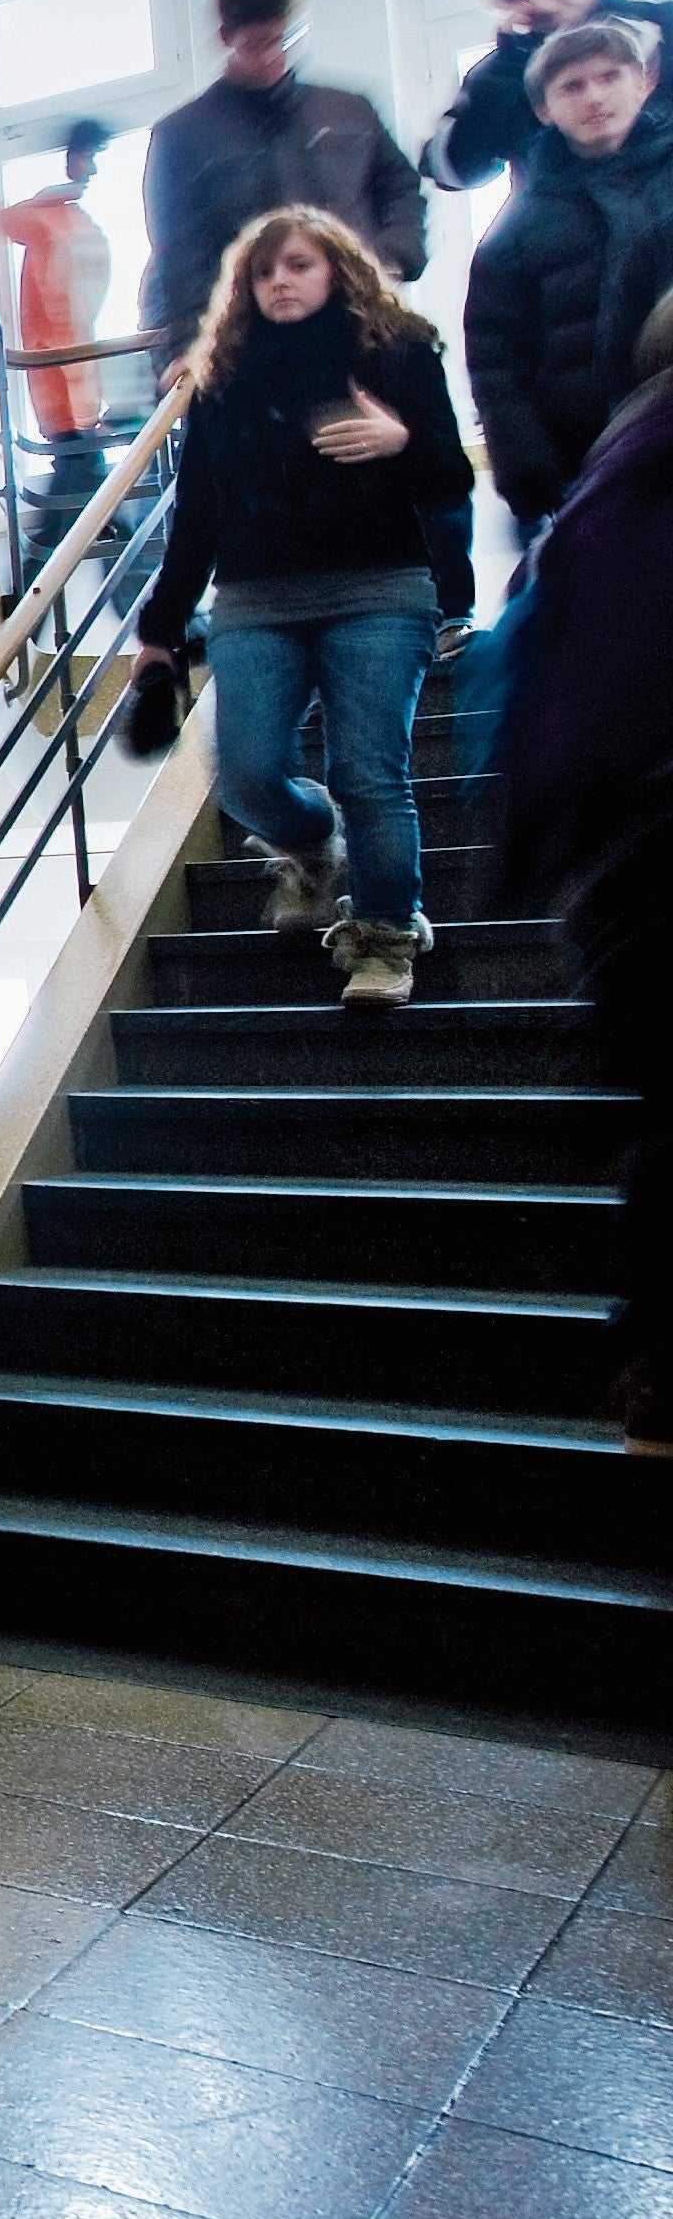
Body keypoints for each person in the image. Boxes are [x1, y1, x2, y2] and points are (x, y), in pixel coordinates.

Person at [133, 209, 471, 1011]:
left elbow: (449, 477)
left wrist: (401, 441)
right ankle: (311, 845)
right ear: (246, 290)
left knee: (367, 770)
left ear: (336, 272)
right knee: (245, 771)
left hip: (381, 590)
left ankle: (385, 937)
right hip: (255, 597)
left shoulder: (400, 353)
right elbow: (198, 515)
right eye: (265, 272)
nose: (281, 281)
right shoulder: (220, 380)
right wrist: (159, 628)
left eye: (298, 265)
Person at [498, 294, 673, 1443]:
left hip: (623, 868)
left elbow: (548, 689)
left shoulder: (603, 491)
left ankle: (654, 1365)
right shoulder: (627, 492)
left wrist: (536, 856)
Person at [141, 0, 427, 360]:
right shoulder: (180, 136)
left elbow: (402, 190)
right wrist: (191, 352)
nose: (274, 55)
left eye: (284, 40)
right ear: (226, 39)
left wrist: (390, 258)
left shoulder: (351, 111)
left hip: (362, 321)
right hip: (253, 341)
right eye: (257, 44)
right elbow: (179, 257)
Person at [466, 17, 673, 545]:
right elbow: (496, 359)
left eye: (610, 76)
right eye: (572, 86)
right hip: (593, 459)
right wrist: (528, 472)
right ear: (544, 109)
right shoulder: (519, 224)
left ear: (645, 81)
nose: (594, 96)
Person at [422, 0, 673, 194]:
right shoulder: (500, 75)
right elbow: (454, 171)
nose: (540, 4)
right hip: (574, 229)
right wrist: (502, 84)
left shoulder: (664, 26)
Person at [0, 119, 122, 575]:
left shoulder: (81, 223)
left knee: (95, 496)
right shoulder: (49, 216)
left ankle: (30, 590)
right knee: (87, 493)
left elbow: (86, 306)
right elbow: (5, 220)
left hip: (81, 373)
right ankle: (29, 588)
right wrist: (53, 192)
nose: (90, 170)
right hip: (56, 371)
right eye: (87, 157)